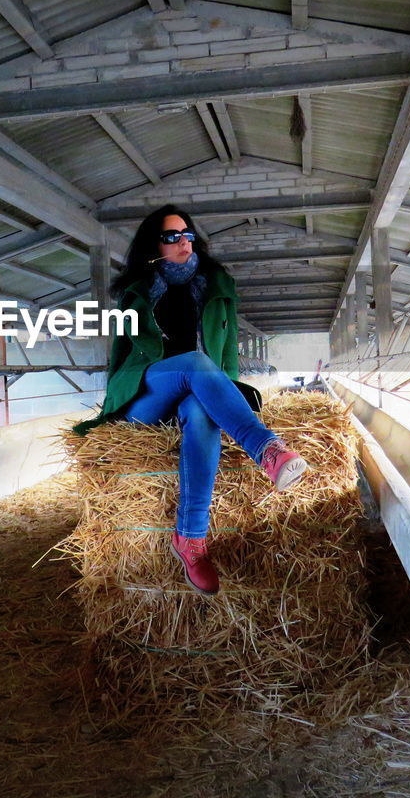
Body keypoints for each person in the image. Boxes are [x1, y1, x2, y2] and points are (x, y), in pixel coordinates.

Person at [73, 204, 310, 595]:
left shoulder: (214, 286)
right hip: (148, 391)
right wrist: (112, 407)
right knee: (194, 363)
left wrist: (227, 396)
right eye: (171, 236)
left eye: (187, 234)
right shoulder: (138, 290)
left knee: (202, 411)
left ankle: (191, 541)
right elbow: (119, 352)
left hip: (197, 388)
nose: (183, 241)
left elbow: (228, 353)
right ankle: (266, 449)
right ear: (155, 245)